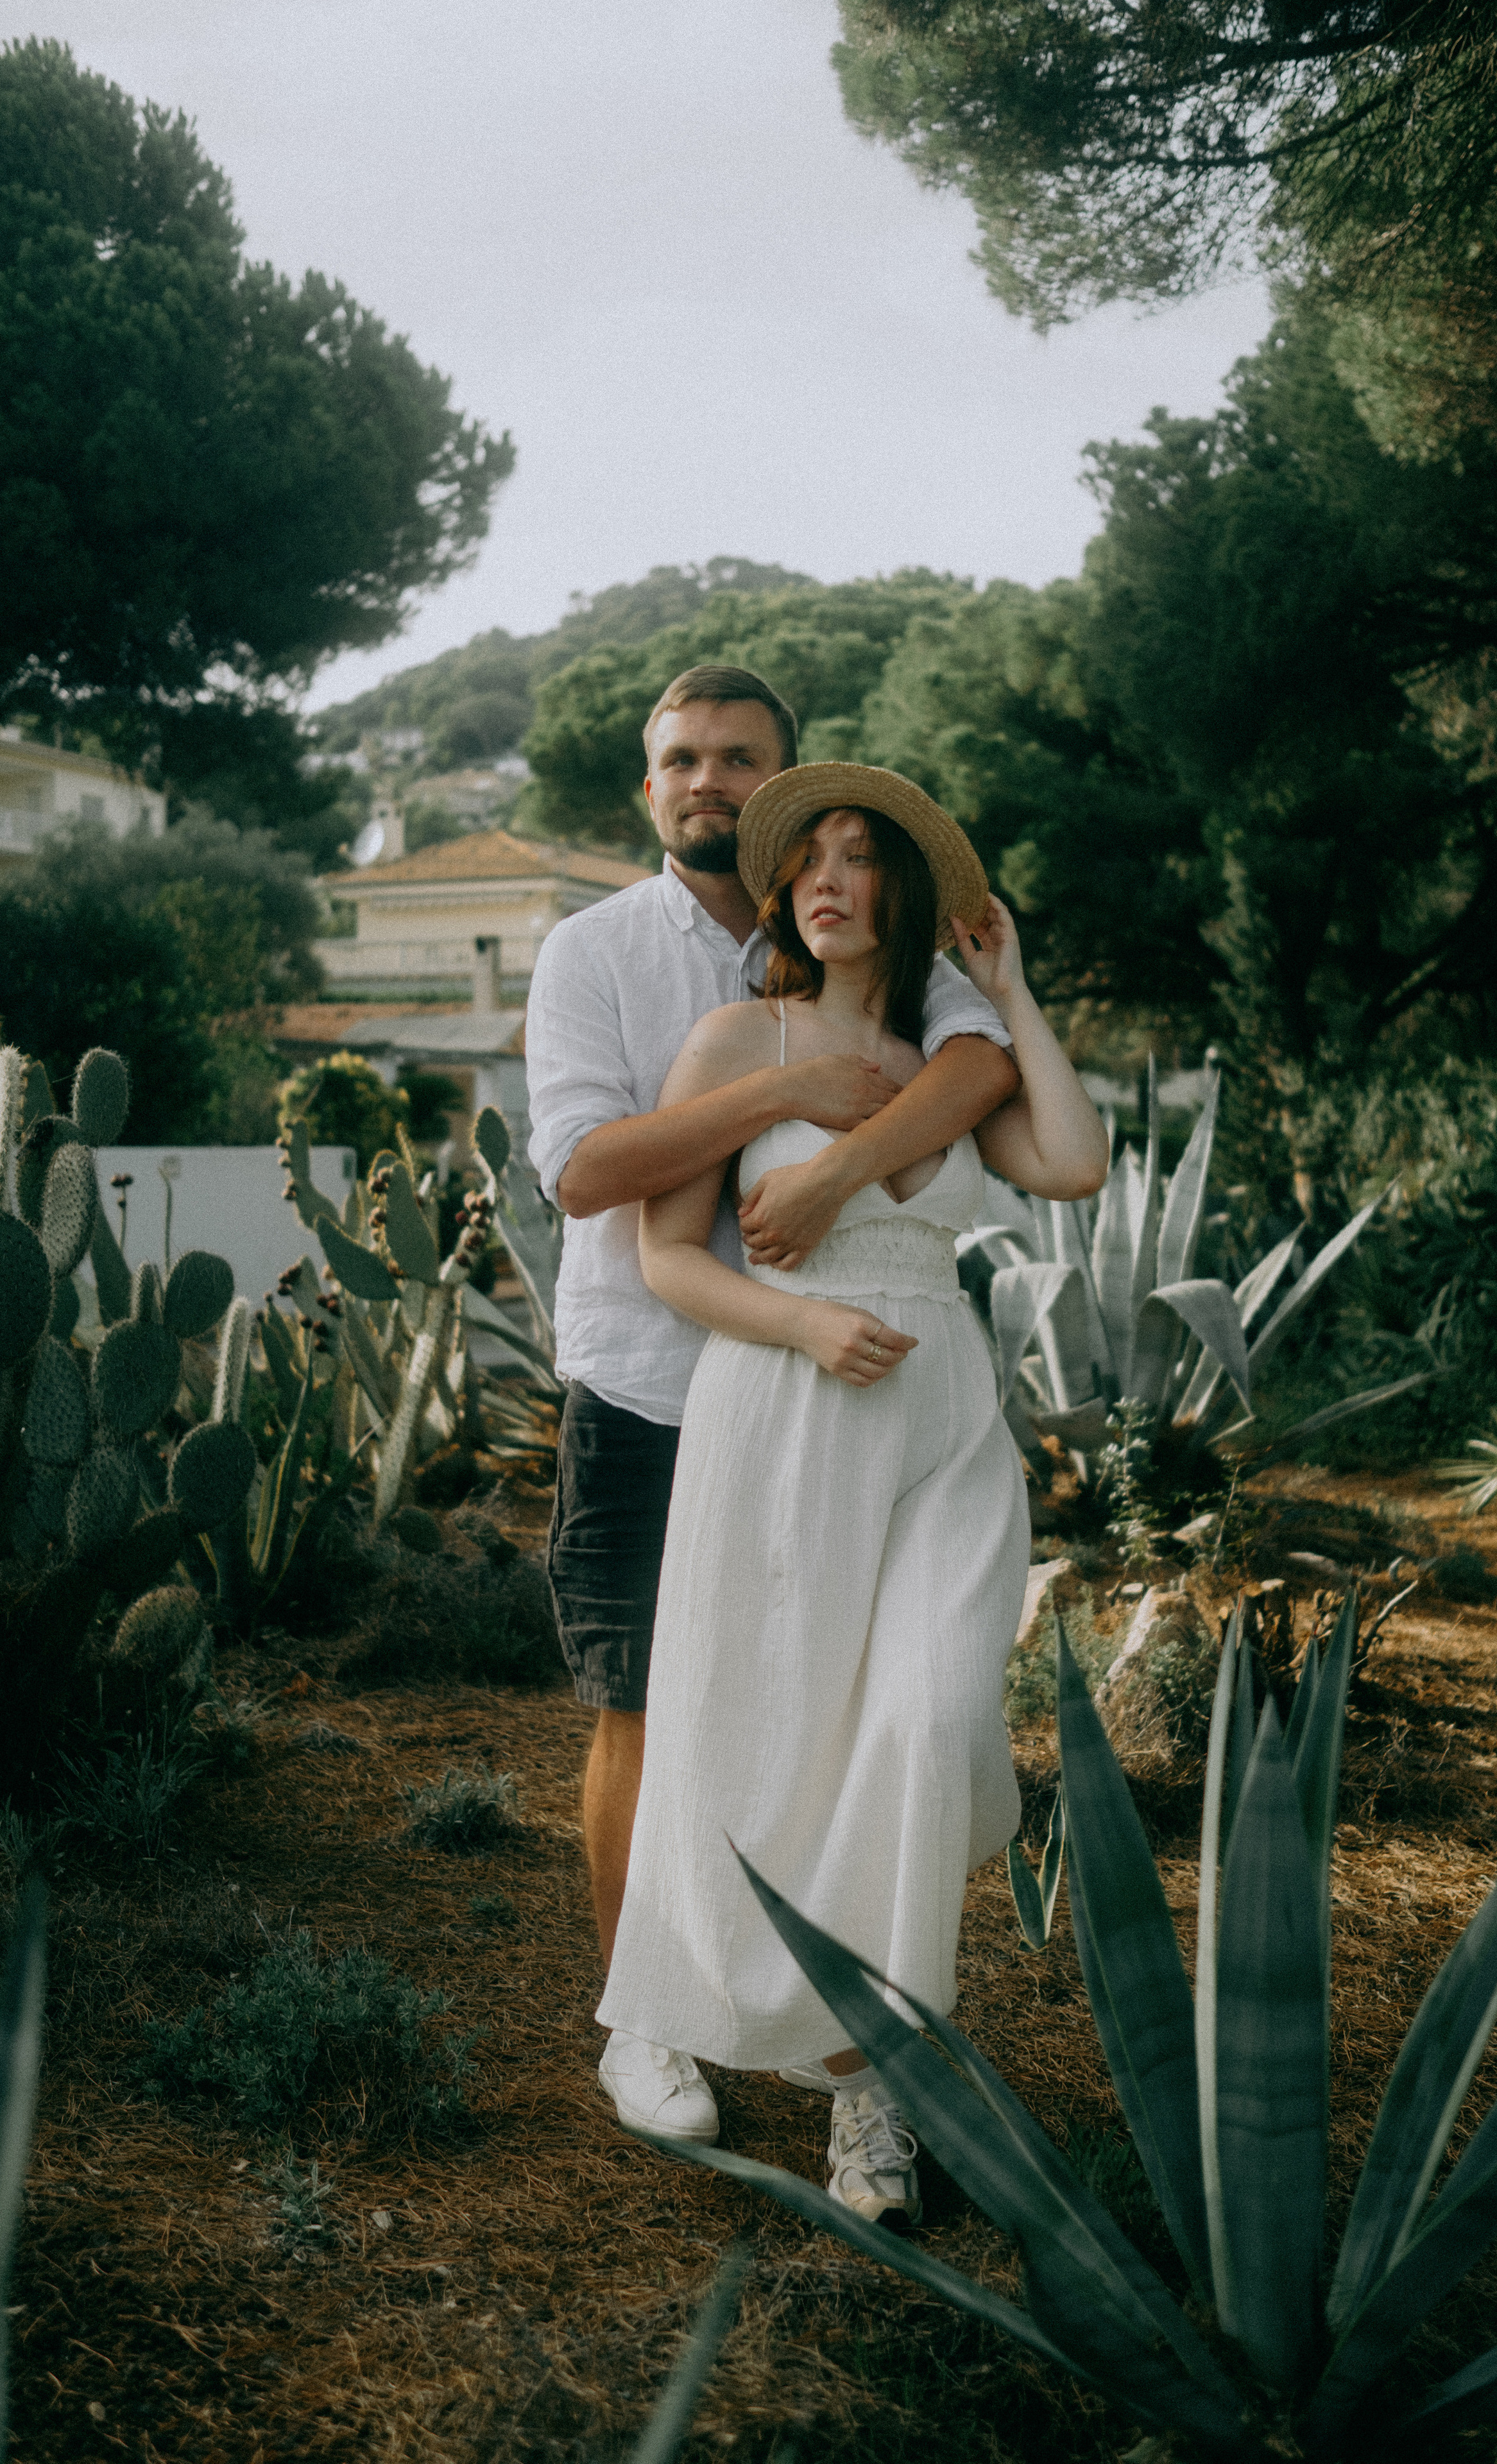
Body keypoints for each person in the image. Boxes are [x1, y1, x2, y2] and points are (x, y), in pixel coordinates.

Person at [598, 762, 1108, 2224]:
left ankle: (871, 2085)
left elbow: (1068, 1162)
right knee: (752, 1726)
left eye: (854, 857)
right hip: (784, 1405)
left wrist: (1009, 989)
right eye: (802, 859)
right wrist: (805, 1323)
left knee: (928, 1727)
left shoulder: (952, 1058)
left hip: (942, 1421)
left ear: (905, 891)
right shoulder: (731, 1039)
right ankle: (665, 2011)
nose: (822, 880)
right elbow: (669, 1259)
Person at [526, 671, 1020, 2143]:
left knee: (858, 1717)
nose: (707, 783)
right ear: (646, 787)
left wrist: (824, 1175)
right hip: (653, 1377)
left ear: (791, 788)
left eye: (739, 760)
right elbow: (586, 1173)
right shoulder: (593, 951)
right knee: (645, 1709)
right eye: (680, 760)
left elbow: (973, 1065)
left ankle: (841, 2041)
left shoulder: (861, 910)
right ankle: (651, 2019)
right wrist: (770, 1097)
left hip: (849, 1404)